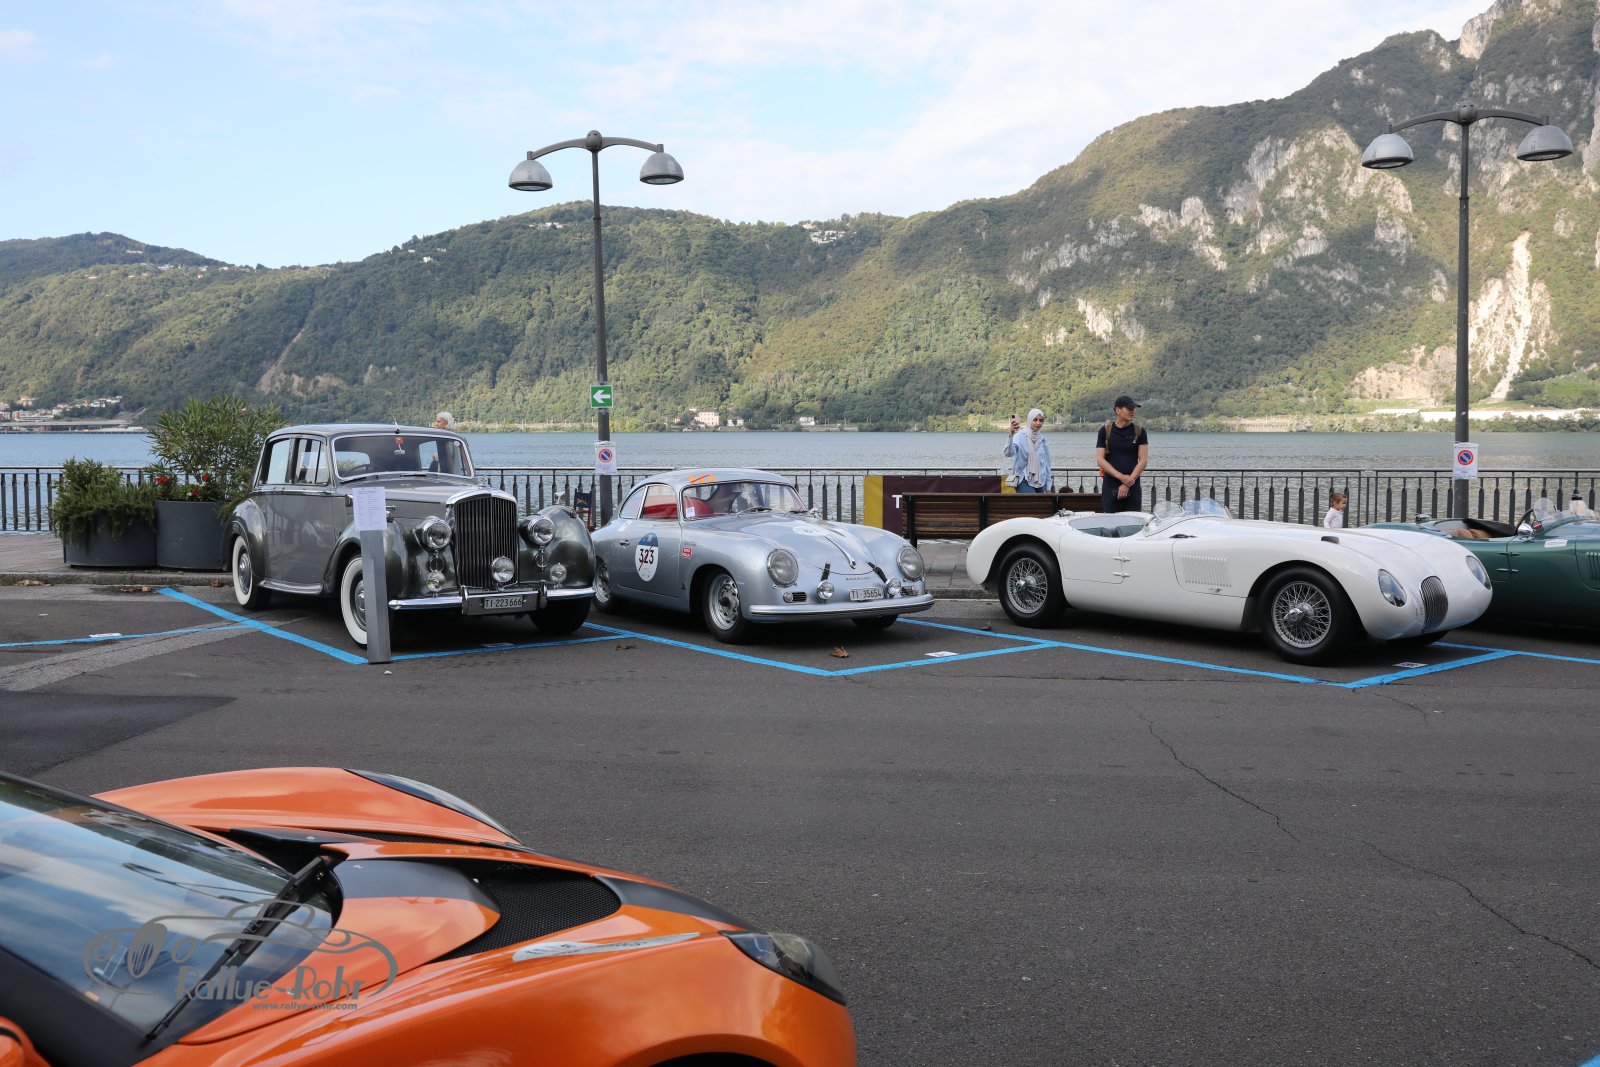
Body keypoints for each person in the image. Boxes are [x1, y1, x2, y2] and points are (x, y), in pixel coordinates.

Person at [1095, 396, 1148, 513]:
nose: (1133, 411)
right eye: (1129, 408)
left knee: (1133, 521)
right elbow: (1100, 460)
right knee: (1110, 521)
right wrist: (1121, 477)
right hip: (1110, 485)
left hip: (1132, 486)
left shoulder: (1139, 432)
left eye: (1134, 408)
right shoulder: (1105, 431)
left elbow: (1143, 461)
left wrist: (1128, 482)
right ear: (1118, 410)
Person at [1004, 409, 1052, 493]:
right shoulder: (1020, 436)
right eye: (1035, 419)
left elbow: (1047, 464)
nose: (1038, 423)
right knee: (1031, 501)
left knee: (1041, 502)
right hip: (1024, 479)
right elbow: (1008, 453)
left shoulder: (1042, 440)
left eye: (1041, 420)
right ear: (1030, 420)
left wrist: (1048, 486)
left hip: (1041, 482)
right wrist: (1011, 434)